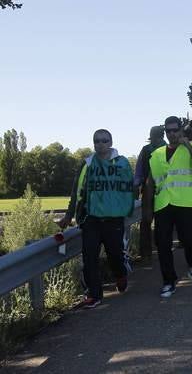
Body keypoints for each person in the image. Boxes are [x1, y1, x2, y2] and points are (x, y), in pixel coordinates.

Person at [59, 129, 134, 309]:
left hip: (113, 219)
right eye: (96, 141)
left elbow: (129, 188)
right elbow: (77, 191)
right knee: (89, 256)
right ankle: (94, 294)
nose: (100, 144)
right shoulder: (87, 164)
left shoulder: (122, 163)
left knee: (115, 255)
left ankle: (121, 275)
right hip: (91, 218)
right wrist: (70, 214)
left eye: (104, 140)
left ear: (111, 142)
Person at [146, 116, 192, 298]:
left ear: (180, 130)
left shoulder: (190, 149)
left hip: (185, 203)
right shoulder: (157, 154)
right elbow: (150, 182)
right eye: (168, 131)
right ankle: (169, 281)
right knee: (163, 244)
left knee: (189, 240)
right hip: (163, 204)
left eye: (175, 130)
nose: (172, 134)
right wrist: (147, 209)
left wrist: (188, 145)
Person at [133, 125, 165, 260]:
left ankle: (147, 252)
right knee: (156, 221)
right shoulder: (168, 148)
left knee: (148, 221)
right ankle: (156, 249)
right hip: (161, 189)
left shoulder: (147, 150)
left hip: (153, 189)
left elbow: (139, 170)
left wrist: (136, 185)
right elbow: (139, 170)